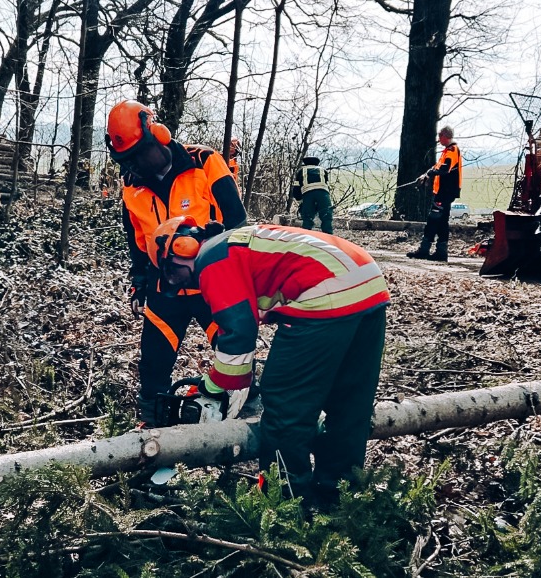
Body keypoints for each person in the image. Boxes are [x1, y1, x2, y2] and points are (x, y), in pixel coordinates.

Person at [147, 216, 390, 510]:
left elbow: (238, 338)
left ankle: (285, 504)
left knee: (284, 406)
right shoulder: (235, 242)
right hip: (369, 283)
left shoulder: (212, 259)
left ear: (181, 249)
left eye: (173, 273)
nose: (179, 282)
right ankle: (340, 497)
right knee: (350, 402)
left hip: (325, 291)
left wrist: (210, 387)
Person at [105, 100, 247, 428]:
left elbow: (238, 222)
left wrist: (210, 247)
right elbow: (137, 244)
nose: (135, 165)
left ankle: (252, 420)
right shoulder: (132, 189)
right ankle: (152, 437)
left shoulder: (205, 163)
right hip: (164, 290)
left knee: (235, 357)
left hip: (212, 286)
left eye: (139, 154)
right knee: (153, 367)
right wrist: (138, 280)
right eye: (127, 160)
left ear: (159, 137)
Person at [407, 125, 463, 262]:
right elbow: (437, 167)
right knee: (442, 222)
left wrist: (429, 174)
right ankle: (441, 252)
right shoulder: (448, 151)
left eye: (440, 136)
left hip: (445, 193)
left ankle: (424, 249)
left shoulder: (451, 151)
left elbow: (444, 169)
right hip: (446, 192)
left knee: (433, 220)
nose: (438, 139)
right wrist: (426, 174)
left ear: (445, 136)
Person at [289, 156, 333, 234]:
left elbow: (296, 189)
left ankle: (306, 236)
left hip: (308, 194)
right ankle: (329, 236)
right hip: (323, 193)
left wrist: (300, 201)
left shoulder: (301, 171)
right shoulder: (323, 170)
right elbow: (327, 185)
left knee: (307, 217)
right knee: (326, 216)